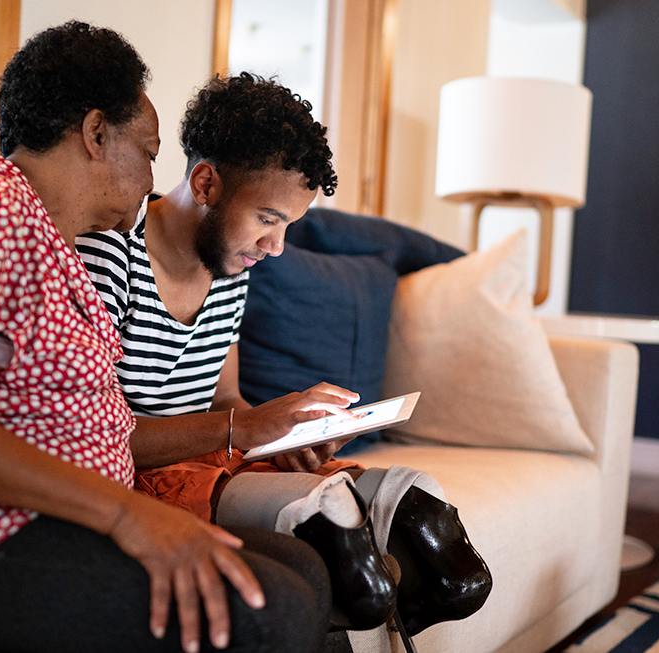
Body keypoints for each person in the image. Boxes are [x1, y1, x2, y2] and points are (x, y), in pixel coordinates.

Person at [0, 23, 330, 653]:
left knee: (305, 572)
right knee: (272, 608)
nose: (155, 176)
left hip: (23, 514)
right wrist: (127, 511)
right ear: (96, 135)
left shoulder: (55, 245)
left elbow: (103, 425)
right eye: (149, 152)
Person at [76, 73, 492, 636]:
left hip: (214, 461)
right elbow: (95, 438)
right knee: (345, 551)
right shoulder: (109, 256)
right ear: (205, 183)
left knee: (432, 532)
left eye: (287, 226)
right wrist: (243, 429)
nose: (275, 248)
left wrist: (287, 438)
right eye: (268, 220)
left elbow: (224, 398)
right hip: (139, 478)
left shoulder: (229, 271)